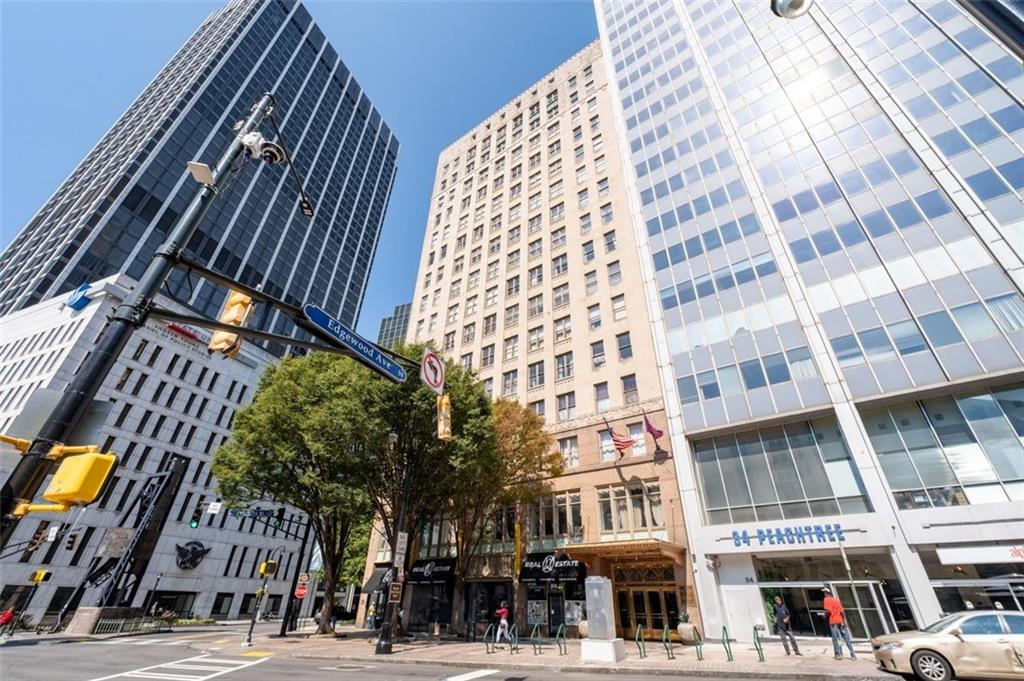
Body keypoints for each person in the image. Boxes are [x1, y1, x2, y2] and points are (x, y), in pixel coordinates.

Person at [822, 588, 856, 660]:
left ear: (827, 593)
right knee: (846, 637)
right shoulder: (836, 600)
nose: (824, 594)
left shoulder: (826, 600)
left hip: (833, 621)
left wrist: (824, 616)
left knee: (835, 638)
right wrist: (844, 621)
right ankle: (852, 653)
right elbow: (841, 611)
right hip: (840, 621)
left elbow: (828, 610)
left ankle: (838, 654)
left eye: (824, 593)